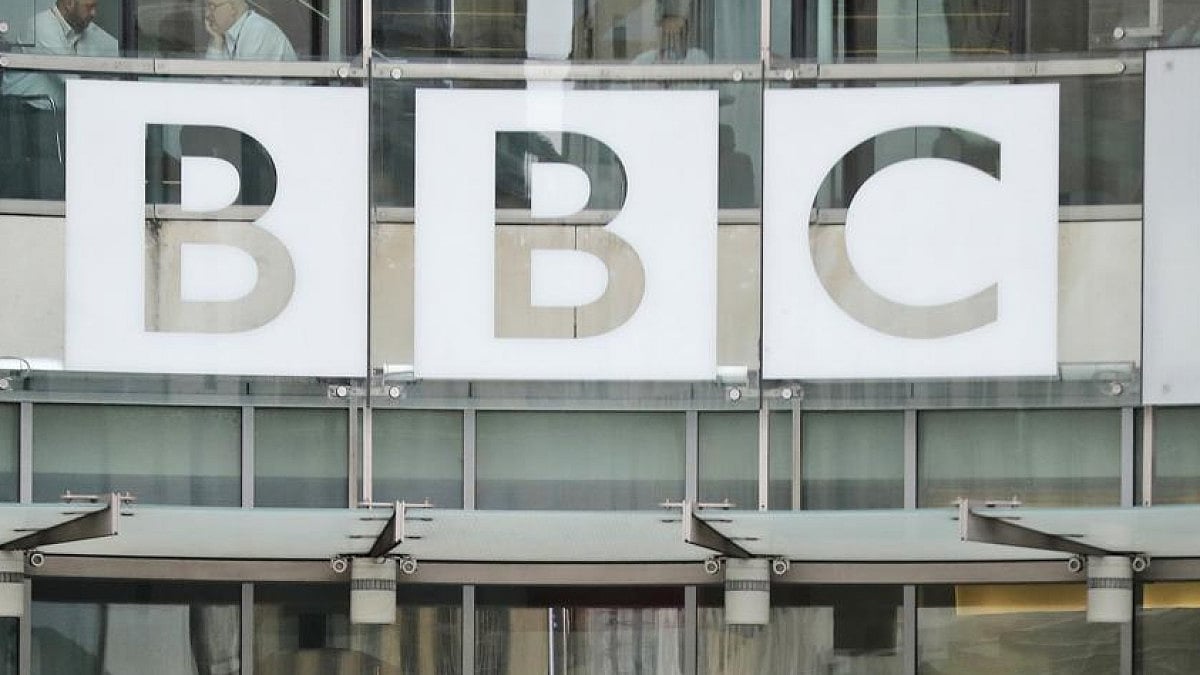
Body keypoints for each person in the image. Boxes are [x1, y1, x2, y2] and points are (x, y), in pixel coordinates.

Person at [0, 0, 118, 110]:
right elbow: (72, 79)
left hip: (56, 112)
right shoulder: (42, 26)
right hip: (23, 111)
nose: (93, 13)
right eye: (89, 7)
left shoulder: (86, 29)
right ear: (69, 3)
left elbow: (117, 56)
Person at [204, 0, 296, 61]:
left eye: (212, 7)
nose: (207, 14)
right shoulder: (223, 34)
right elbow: (210, 80)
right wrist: (216, 42)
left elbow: (244, 83)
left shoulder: (258, 31)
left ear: (233, 9)